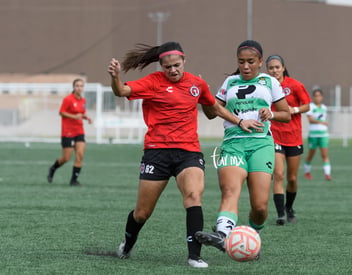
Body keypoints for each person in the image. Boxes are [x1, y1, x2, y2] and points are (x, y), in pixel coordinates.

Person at [107, 41, 263, 268]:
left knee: (193, 196)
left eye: (177, 65)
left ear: (184, 61)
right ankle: (128, 243)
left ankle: (194, 256)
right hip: (156, 153)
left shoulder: (196, 83)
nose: (173, 70)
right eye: (167, 67)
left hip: (188, 152)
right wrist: (114, 77)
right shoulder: (152, 83)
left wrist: (240, 121)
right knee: (142, 213)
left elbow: (214, 108)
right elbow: (121, 91)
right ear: (161, 66)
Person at [194, 40, 291, 253]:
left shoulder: (270, 82)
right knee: (230, 191)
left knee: (260, 206)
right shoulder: (229, 82)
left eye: (250, 62)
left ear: (260, 62)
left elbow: (287, 114)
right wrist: (204, 97)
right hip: (232, 144)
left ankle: (251, 237)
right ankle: (222, 235)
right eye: (241, 62)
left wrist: (271, 114)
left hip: (261, 144)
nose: (245, 66)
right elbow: (212, 113)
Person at [266, 54, 311, 225]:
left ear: (283, 68)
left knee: (292, 178)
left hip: (293, 137)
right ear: (267, 70)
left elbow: (307, 105)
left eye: (277, 67)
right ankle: (280, 215)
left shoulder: (295, 85)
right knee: (278, 175)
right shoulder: (265, 86)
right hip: (274, 135)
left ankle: (289, 207)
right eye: (271, 68)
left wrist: (294, 109)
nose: (274, 70)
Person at [47, 78, 92, 186]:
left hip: (79, 131)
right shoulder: (68, 99)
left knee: (80, 155)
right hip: (67, 132)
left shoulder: (83, 100)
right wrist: (74, 116)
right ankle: (53, 168)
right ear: (73, 87)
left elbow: (81, 113)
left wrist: (87, 118)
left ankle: (73, 180)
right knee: (66, 158)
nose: (79, 88)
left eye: (81, 86)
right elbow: (61, 112)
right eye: (77, 86)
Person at [304, 88, 331, 180]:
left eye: (319, 96)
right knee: (311, 154)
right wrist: (322, 122)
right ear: (313, 97)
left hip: (324, 135)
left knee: (325, 155)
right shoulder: (310, 106)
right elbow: (310, 119)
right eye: (316, 96)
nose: (317, 98)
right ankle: (307, 172)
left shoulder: (324, 108)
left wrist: (323, 123)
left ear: (322, 97)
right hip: (313, 135)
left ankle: (327, 174)